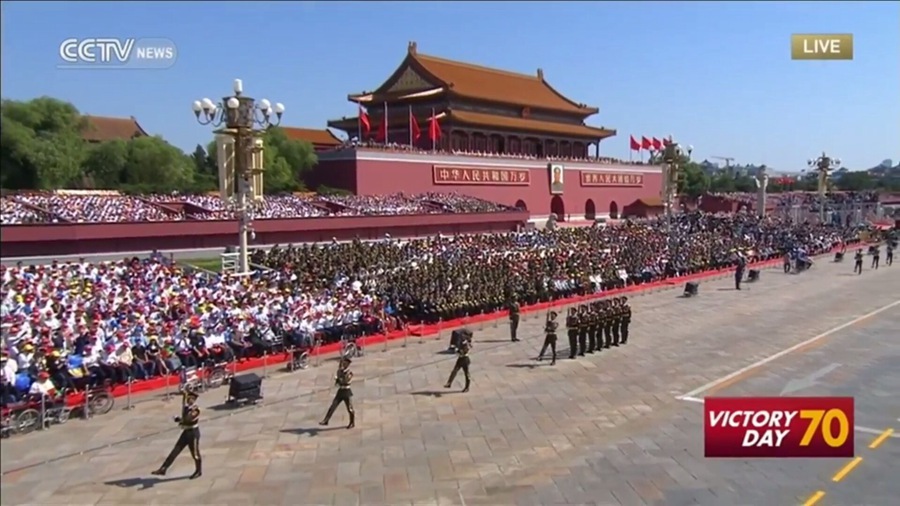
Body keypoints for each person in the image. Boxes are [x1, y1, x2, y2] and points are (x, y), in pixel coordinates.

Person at [152, 390, 202, 479]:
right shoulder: (187, 407)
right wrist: (184, 394)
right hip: (186, 432)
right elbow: (184, 407)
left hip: (193, 433)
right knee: (175, 450)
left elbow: (188, 419)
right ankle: (163, 468)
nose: (188, 400)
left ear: (193, 400)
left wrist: (179, 420)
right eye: (187, 398)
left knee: (195, 453)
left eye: (190, 399)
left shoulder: (196, 409)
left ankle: (198, 471)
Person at [320, 357, 355, 428]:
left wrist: (339, 379)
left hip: (347, 391)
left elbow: (345, 380)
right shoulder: (340, 371)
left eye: (345, 363)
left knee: (350, 408)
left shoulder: (349, 373)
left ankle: (352, 422)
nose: (344, 364)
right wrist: (337, 380)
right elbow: (338, 380)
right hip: (340, 391)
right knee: (333, 406)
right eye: (343, 363)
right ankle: (326, 420)